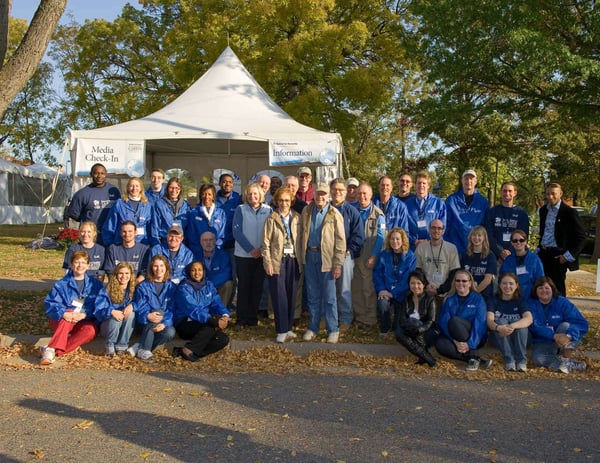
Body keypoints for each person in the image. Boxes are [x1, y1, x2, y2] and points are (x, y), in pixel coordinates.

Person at [299, 182, 346, 343]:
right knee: (313, 295)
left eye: (324, 194)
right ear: (314, 195)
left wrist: (338, 263)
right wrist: (301, 258)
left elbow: (341, 241)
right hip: (310, 256)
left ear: (328, 196)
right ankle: (313, 327)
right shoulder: (306, 211)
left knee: (329, 296)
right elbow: (300, 236)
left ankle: (333, 329)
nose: (320, 197)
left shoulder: (335, 214)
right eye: (318, 194)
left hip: (327, 259)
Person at [40, 251, 104, 365]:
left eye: (83, 262)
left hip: (83, 320)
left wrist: (84, 314)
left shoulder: (96, 285)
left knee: (90, 331)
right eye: (77, 262)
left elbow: (100, 305)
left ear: (88, 265)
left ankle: (52, 350)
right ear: (71, 264)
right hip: (61, 320)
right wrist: (64, 314)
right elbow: (51, 304)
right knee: (68, 314)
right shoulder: (61, 284)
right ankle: (50, 350)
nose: (80, 265)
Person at [262, 187, 301, 342]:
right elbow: (265, 243)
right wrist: (268, 262)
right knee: (279, 296)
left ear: (291, 201)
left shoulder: (297, 218)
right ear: (276, 201)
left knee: (292, 294)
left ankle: (289, 327)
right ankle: (281, 329)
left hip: (293, 259)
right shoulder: (271, 219)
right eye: (281, 200)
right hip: (277, 260)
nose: (284, 203)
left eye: (287, 200)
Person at [435, 269, 493, 371]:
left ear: (470, 283)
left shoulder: (478, 299)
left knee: (455, 321)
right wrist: (455, 341)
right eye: (458, 281)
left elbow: (479, 324)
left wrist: (470, 343)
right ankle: (474, 359)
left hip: (475, 337)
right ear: (454, 283)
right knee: (440, 344)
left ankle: (472, 354)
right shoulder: (449, 299)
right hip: (455, 338)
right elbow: (443, 322)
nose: (460, 283)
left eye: (464, 281)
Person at [528, 277, 588, 374]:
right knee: (537, 359)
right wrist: (554, 336)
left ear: (552, 289)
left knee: (566, 325)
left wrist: (569, 336)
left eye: (547, 288)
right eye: (540, 288)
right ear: (535, 291)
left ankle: (565, 357)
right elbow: (534, 326)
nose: (544, 291)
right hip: (543, 340)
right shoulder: (531, 303)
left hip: (564, 340)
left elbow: (581, 323)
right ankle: (567, 363)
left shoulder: (562, 302)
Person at [232, 183, 272, 328]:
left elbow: (270, 231)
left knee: (257, 288)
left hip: (261, 255)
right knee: (243, 287)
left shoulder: (268, 210)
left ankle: (252, 318)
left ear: (260, 195)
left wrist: (261, 249)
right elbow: (236, 231)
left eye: (255, 194)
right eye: (249, 194)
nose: (252, 196)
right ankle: (241, 319)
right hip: (243, 256)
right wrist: (250, 249)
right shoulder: (240, 209)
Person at [173, 261, 231, 361]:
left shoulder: (208, 285)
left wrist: (225, 315)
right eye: (193, 270)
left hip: (204, 324)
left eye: (199, 270)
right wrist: (211, 320)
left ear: (204, 271)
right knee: (211, 326)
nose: (197, 273)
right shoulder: (183, 288)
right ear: (188, 272)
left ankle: (186, 351)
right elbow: (193, 309)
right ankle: (189, 350)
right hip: (186, 323)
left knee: (223, 339)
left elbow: (216, 302)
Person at [537, 183, 587, 296]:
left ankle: (559, 313)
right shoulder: (543, 210)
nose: (550, 197)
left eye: (553, 194)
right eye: (548, 194)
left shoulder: (569, 212)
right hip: (544, 254)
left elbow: (581, 237)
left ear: (560, 194)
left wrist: (567, 256)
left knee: (557, 290)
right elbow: (543, 233)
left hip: (559, 256)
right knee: (542, 288)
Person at [330, 178, 365, 331]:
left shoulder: (352, 211)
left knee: (344, 290)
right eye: (335, 189)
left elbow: (359, 236)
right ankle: (329, 317)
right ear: (331, 191)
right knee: (328, 288)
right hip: (326, 256)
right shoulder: (324, 209)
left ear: (346, 192)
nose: (338, 192)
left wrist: (348, 250)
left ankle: (345, 318)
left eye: (341, 190)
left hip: (345, 256)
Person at [129, 255, 177, 360]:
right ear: (151, 268)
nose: (159, 269)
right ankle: (145, 350)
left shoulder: (172, 287)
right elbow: (140, 306)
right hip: (145, 322)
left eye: (161, 266)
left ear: (166, 268)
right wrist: (147, 315)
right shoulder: (143, 286)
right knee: (157, 311)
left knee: (170, 332)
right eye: (155, 266)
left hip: (163, 322)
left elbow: (173, 309)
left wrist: (164, 323)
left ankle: (140, 346)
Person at [352, 183, 386, 330]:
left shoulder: (378, 214)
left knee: (368, 288)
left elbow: (381, 237)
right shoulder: (353, 211)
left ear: (371, 195)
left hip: (369, 255)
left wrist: (374, 256)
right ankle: (359, 316)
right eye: (359, 194)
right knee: (356, 287)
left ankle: (370, 318)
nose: (362, 196)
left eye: (365, 193)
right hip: (355, 255)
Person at [372, 227, 416, 336]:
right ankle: (385, 326)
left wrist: (393, 293)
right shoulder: (384, 255)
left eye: (397, 239)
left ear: (403, 240)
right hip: (385, 290)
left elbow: (408, 278)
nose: (395, 242)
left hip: (402, 293)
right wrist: (382, 289)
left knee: (398, 331)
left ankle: (397, 323)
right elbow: (377, 274)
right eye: (392, 239)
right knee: (382, 302)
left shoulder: (410, 256)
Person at [486, 272, 533, 372]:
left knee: (521, 324)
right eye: (504, 283)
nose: (508, 286)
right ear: (499, 285)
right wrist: (499, 327)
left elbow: (529, 319)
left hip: (520, 338)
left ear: (516, 285)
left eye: (511, 283)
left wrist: (512, 326)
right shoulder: (493, 300)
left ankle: (521, 362)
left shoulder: (520, 300)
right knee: (501, 321)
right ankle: (509, 360)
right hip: (500, 337)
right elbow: (489, 320)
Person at [64, 163, 121, 245]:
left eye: (102, 173)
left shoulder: (114, 191)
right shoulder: (82, 194)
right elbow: (74, 215)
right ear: (91, 174)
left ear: (106, 174)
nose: (99, 176)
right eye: (96, 173)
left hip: (110, 236)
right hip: (90, 237)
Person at [395, 270, 438, 367]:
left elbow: (431, 321)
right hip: (411, 330)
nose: (415, 286)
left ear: (424, 284)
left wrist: (419, 329)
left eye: (419, 283)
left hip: (427, 332)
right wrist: (410, 329)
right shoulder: (407, 298)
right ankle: (426, 357)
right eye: (412, 283)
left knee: (413, 322)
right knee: (399, 334)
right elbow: (402, 318)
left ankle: (426, 357)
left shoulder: (430, 299)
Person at [94, 262, 137, 356]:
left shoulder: (135, 290)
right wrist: (111, 311)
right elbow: (98, 310)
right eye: (120, 273)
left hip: (126, 327)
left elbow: (141, 303)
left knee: (132, 314)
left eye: (127, 273)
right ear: (116, 275)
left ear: (131, 275)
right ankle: (109, 346)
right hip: (109, 326)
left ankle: (122, 346)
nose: (123, 276)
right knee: (116, 318)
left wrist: (132, 305)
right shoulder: (107, 290)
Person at [445, 169, 489, 255]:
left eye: (471, 178)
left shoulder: (483, 202)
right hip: (455, 247)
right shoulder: (451, 200)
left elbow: (486, 225)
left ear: (475, 181)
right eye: (466, 178)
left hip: (476, 248)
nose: (469, 181)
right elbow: (446, 224)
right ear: (462, 181)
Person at [484, 182, 529, 263]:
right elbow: (488, 235)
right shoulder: (492, 212)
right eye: (504, 191)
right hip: (496, 257)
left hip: (516, 256)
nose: (507, 193)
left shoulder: (521, 213)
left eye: (510, 191)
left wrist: (510, 253)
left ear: (515, 193)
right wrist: (500, 252)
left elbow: (524, 235)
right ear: (501, 192)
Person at [102, 177, 153, 247]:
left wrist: (150, 244)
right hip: (121, 245)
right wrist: (110, 245)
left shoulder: (147, 206)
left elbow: (150, 228)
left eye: (137, 186)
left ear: (141, 188)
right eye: (131, 186)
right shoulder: (119, 204)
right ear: (128, 188)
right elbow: (110, 226)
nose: (134, 188)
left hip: (142, 245)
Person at [415, 219, 460, 297]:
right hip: (425, 292)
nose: (436, 231)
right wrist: (427, 286)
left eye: (439, 228)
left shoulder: (451, 248)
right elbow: (418, 271)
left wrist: (439, 290)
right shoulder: (421, 248)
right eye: (433, 228)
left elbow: (454, 274)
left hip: (446, 294)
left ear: (443, 231)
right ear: (429, 230)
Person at [405, 171, 447, 250]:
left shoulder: (438, 204)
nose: (421, 185)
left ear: (428, 186)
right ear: (415, 185)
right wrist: (414, 241)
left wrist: (430, 240)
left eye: (424, 183)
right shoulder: (407, 205)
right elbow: (404, 227)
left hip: (433, 247)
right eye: (419, 183)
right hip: (413, 247)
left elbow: (443, 226)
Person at [500, 229, 544, 299]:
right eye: (515, 240)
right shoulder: (508, 260)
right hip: (511, 297)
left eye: (521, 240)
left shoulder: (535, 259)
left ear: (526, 241)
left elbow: (541, 280)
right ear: (511, 243)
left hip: (530, 297)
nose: (518, 242)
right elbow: (502, 278)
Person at [186, 183, 227, 255]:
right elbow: (191, 235)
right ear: (200, 196)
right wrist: (200, 250)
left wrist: (215, 249)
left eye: (209, 194)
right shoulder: (194, 212)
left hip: (216, 252)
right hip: (198, 252)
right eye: (204, 194)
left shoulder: (221, 213)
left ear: (214, 196)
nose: (206, 197)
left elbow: (222, 235)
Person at [460, 226, 497, 302]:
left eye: (479, 235)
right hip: (466, 294)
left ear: (484, 238)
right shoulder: (465, 255)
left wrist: (474, 293)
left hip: (485, 296)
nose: (476, 238)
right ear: (470, 237)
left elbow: (487, 280)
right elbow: (461, 277)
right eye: (474, 235)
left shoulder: (490, 256)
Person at [150, 177, 191, 245]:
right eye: (171, 187)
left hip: (181, 243)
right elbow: (155, 226)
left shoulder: (186, 206)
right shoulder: (159, 204)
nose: (174, 190)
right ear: (167, 189)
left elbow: (189, 228)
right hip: (165, 241)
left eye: (177, 188)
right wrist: (156, 244)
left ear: (180, 189)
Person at [196, 231, 233, 305]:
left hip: (217, 287)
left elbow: (226, 275)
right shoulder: (196, 256)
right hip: (201, 288)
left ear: (215, 241)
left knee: (228, 284)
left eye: (211, 240)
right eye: (205, 240)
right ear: (200, 242)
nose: (208, 243)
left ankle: (220, 314)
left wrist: (210, 285)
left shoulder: (223, 255)